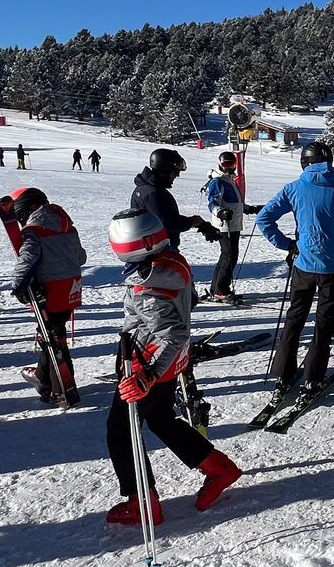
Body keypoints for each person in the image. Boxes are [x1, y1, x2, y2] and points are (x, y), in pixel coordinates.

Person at [104, 209, 242, 525]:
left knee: (120, 432)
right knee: (161, 419)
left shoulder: (147, 287)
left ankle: (143, 503)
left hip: (147, 365)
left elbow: (173, 332)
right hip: (168, 363)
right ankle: (220, 469)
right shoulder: (170, 261)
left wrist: (147, 376)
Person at [254, 142, 334, 407]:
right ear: (329, 162)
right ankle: (312, 377)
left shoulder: (294, 188)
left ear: (303, 162)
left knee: (294, 320)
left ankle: (284, 375)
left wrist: (287, 244)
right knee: (323, 325)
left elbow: (263, 219)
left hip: (304, 267)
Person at [7, 187, 86, 405]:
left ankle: (57, 386)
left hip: (49, 292)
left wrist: (19, 287)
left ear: (27, 209)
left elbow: (27, 260)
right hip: (71, 289)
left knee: (52, 338)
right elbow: (81, 257)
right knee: (54, 335)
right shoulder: (68, 227)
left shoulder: (33, 231)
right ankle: (44, 378)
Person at [131, 148, 216, 251]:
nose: (177, 176)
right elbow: (164, 223)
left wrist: (197, 223)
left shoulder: (148, 189)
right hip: (158, 251)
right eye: (175, 172)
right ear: (164, 170)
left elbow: (165, 217)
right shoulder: (153, 193)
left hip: (157, 249)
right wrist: (190, 222)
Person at [204, 152, 261, 304]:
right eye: (226, 165)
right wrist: (220, 212)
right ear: (220, 164)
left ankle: (217, 288)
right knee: (229, 256)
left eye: (231, 164)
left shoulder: (229, 180)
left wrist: (250, 209)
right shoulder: (217, 181)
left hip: (234, 223)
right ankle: (220, 290)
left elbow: (236, 203)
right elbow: (212, 202)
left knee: (227, 256)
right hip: (224, 225)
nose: (229, 168)